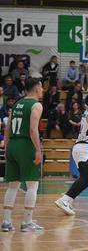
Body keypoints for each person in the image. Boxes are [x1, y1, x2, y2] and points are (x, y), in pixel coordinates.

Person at [2, 78, 44, 232]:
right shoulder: (36, 105)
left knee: (13, 185)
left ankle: (6, 222)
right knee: (33, 184)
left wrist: (7, 147)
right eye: (41, 87)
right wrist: (38, 150)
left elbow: (7, 128)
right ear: (37, 87)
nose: (42, 90)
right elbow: (33, 129)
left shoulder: (17, 103)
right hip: (26, 145)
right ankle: (27, 222)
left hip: (12, 144)